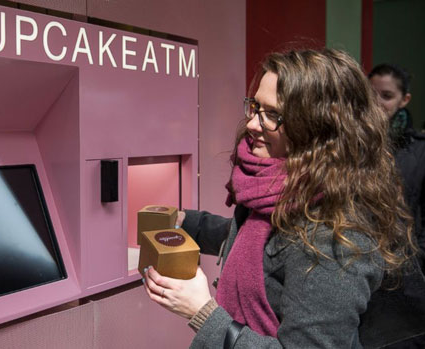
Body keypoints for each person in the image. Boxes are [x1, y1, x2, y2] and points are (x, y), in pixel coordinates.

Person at [142, 49, 416, 348]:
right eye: (255, 106)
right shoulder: (273, 191)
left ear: (321, 126)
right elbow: (263, 246)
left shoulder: (338, 237)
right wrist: (188, 223)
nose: (252, 125)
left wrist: (203, 314)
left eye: (273, 115)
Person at [362, 64, 425, 348]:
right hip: (363, 274)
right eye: (372, 94)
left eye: (386, 95)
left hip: (407, 283)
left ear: (404, 100)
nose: (377, 103)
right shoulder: (355, 146)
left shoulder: (419, 151)